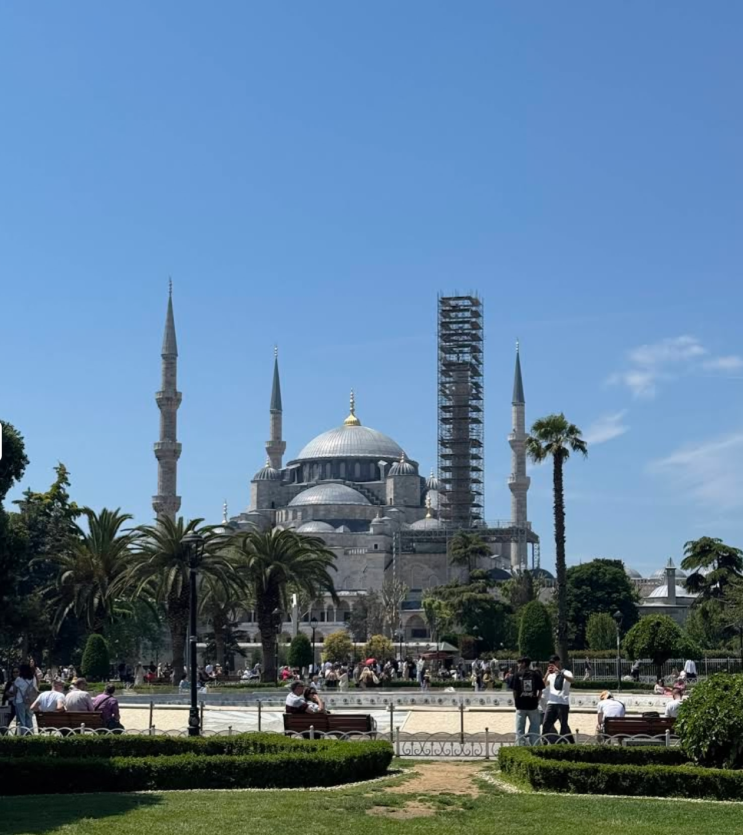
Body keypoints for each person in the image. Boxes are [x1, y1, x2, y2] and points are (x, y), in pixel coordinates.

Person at [541, 654, 575, 744]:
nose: (552, 664)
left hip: (563, 703)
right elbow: (543, 685)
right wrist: (547, 673)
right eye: (550, 663)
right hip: (552, 702)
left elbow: (572, 680)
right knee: (546, 723)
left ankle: (564, 743)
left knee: (563, 725)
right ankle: (544, 743)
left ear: (559, 662)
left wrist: (561, 673)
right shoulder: (551, 675)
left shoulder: (566, 672)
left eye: (554, 662)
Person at [512, 656, 545, 746]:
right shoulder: (535, 675)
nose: (518, 664)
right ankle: (535, 744)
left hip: (520, 705)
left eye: (520, 663)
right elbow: (541, 690)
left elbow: (514, 691)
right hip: (533, 705)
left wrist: (516, 701)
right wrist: (537, 700)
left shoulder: (517, 675)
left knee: (520, 728)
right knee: (535, 727)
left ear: (523, 663)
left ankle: (520, 745)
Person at [12, 664, 39, 733]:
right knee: (29, 718)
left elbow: (14, 691)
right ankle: (30, 733)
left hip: (20, 701)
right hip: (31, 701)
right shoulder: (33, 678)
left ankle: (22, 734)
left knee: (21, 720)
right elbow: (36, 688)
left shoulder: (18, 679)